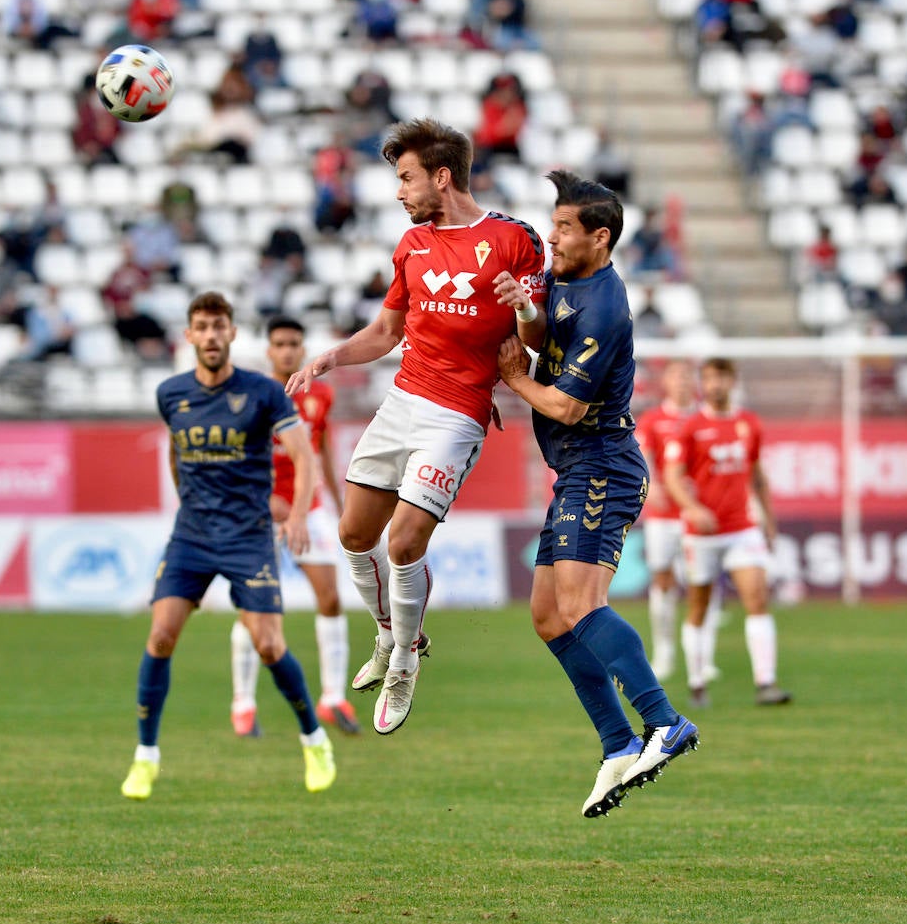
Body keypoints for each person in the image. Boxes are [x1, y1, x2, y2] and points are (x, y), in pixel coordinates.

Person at [286, 118, 548, 736]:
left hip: (458, 411)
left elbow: (536, 340)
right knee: (354, 533)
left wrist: (526, 306)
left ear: (442, 175)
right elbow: (385, 333)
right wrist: (329, 356)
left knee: (404, 543)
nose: (399, 192)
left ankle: (405, 660)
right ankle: (390, 634)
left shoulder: (514, 240)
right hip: (403, 399)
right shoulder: (411, 247)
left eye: (405, 178)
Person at [495, 170, 698, 819]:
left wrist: (511, 380)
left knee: (582, 605)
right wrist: (523, 307)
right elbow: (537, 334)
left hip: (602, 465)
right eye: (551, 223)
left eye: (563, 228)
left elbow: (566, 403)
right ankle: (616, 742)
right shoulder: (562, 280)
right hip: (575, 471)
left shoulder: (605, 306)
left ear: (599, 237)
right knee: (548, 616)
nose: (551, 237)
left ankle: (664, 723)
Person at [121, 293, 336, 801]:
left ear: (232, 334)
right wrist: (190, 505)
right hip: (193, 535)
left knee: (269, 645)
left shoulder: (263, 393)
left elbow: (304, 457)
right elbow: (176, 455)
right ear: (190, 336)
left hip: (248, 536)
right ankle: (145, 756)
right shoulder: (171, 393)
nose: (212, 335)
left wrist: (300, 511)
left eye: (220, 326)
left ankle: (314, 738)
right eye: (202, 327)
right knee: (161, 636)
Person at [230, 317, 361, 739]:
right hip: (260, 511)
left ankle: (332, 696)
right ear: (268, 351)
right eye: (280, 344)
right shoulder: (252, 395)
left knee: (330, 597)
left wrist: (342, 508)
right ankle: (244, 705)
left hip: (311, 507)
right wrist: (264, 498)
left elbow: (320, 452)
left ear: (303, 349)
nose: (288, 351)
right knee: (255, 608)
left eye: (294, 344)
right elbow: (238, 455)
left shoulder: (320, 394)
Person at [662, 358, 793, 708]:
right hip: (701, 534)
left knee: (757, 598)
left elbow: (757, 475)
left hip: (741, 529)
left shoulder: (749, 423)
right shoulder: (690, 427)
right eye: (709, 378)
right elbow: (673, 476)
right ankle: (697, 682)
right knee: (699, 606)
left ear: (732, 381)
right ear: (702, 384)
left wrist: (768, 518)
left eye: (721, 377)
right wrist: (692, 508)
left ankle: (766, 682)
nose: (715, 384)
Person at [634, 360, 717, 684]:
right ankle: (664, 652)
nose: (683, 382)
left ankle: (703, 658)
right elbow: (644, 456)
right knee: (663, 580)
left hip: (698, 513)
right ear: (666, 383)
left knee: (702, 584)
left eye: (687, 377)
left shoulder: (704, 418)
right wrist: (651, 484)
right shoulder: (654, 419)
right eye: (676, 377)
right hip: (664, 515)